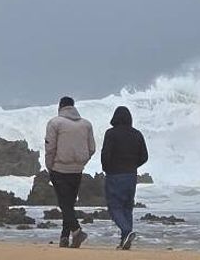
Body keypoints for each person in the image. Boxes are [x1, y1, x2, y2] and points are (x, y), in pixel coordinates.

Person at [43, 96, 96, 247]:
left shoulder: (55, 123)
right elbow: (92, 148)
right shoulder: (86, 124)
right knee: (69, 204)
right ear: (73, 107)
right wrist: (82, 162)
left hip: (59, 169)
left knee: (64, 204)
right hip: (77, 170)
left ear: (60, 107)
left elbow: (50, 147)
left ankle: (77, 231)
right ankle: (64, 237)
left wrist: (49, 166)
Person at [100, 105, 149, 250]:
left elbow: (105, 154)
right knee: (127, 207)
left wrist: (107, 168)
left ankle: (127, 231)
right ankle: (124, 240)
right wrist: (133, 165)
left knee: (114, 206)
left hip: (115, 175)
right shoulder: (137, 134)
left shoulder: (111, 133)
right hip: (131, 175)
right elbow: (144, 156)